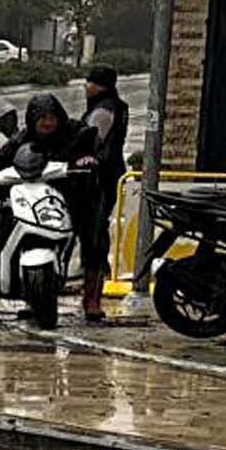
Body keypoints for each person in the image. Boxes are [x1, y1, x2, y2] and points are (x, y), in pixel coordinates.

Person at [71, 65, 130, 323]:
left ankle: (92, 300)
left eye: (90, 82)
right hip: (106, 177)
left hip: (97, 181)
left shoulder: (104, 110)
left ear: (100, 85)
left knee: (92, 237)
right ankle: (89, 296)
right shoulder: (113, 105)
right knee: (92, 236)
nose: (86, 86)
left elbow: (91, 140)